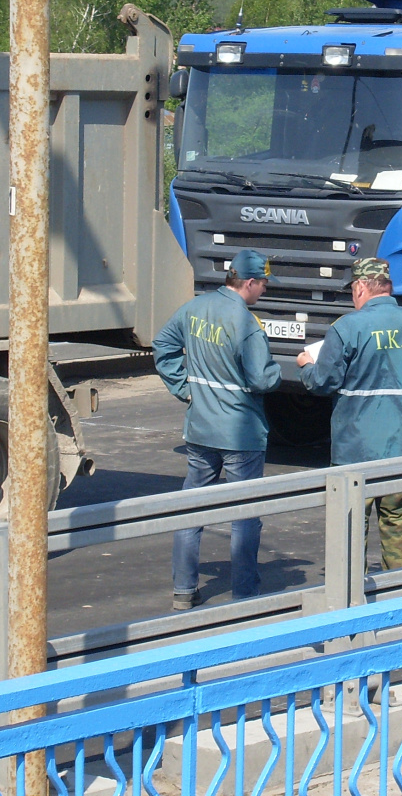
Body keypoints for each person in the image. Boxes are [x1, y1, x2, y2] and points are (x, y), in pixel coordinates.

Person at [152, 248, 281, 609]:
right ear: (249, 282)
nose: (265, 290)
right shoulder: (246, 324)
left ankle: (183, 589)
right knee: (244, 514)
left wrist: (184, 388)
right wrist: (279, 372)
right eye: (264, 284)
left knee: (192, 507)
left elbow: (163, 345)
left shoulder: (195, 308)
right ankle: (244, 594)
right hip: (241, 433)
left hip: (201, 428)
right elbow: (261, 379)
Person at [297, 257, 402, 569]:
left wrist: (306, 365)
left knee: (349, 528)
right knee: (399, 525)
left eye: (352, 290)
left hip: (355, 453)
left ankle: (349, 596)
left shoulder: (347, 327)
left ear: (360, 286)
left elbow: (322, 382)